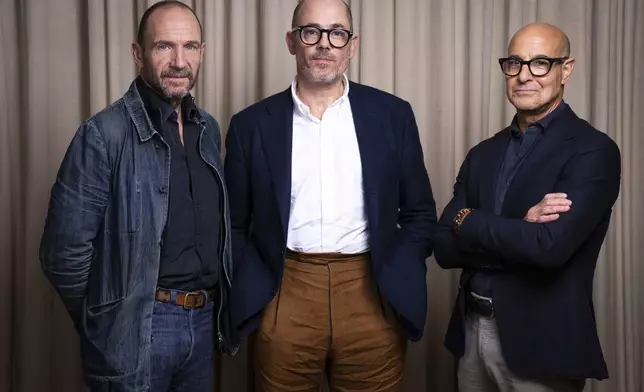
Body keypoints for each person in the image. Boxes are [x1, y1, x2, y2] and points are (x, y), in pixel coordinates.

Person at [223, 0, 437, 390]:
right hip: (286, 290)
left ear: (351, 45)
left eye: (337, 33)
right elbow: (234, 224)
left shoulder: (392, 115)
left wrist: (395, 272)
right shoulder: (250, 125)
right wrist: (261, 293)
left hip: (370, 291)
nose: (324, 44)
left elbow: (421, 213)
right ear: (292, 42)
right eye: (311, 32)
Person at [38, 2, 236, 391]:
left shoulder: (207, 129)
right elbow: (62, 254)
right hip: (140, 328)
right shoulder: (103, 134)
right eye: (164, 46)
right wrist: (109, 319)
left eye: (190, 47)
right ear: (137, 54)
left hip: (203, 321)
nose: (179, 61)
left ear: (202, 52)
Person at [434, 22, 621, 392]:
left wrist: (468, 220)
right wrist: (520, 227)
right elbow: (442, 247)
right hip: (471, 333)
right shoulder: (482, 153)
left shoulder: (592, 150)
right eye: (514, 63)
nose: (523, 76)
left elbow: (548, 248)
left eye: (540, 63)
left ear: (565, 69)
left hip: (541, 343)